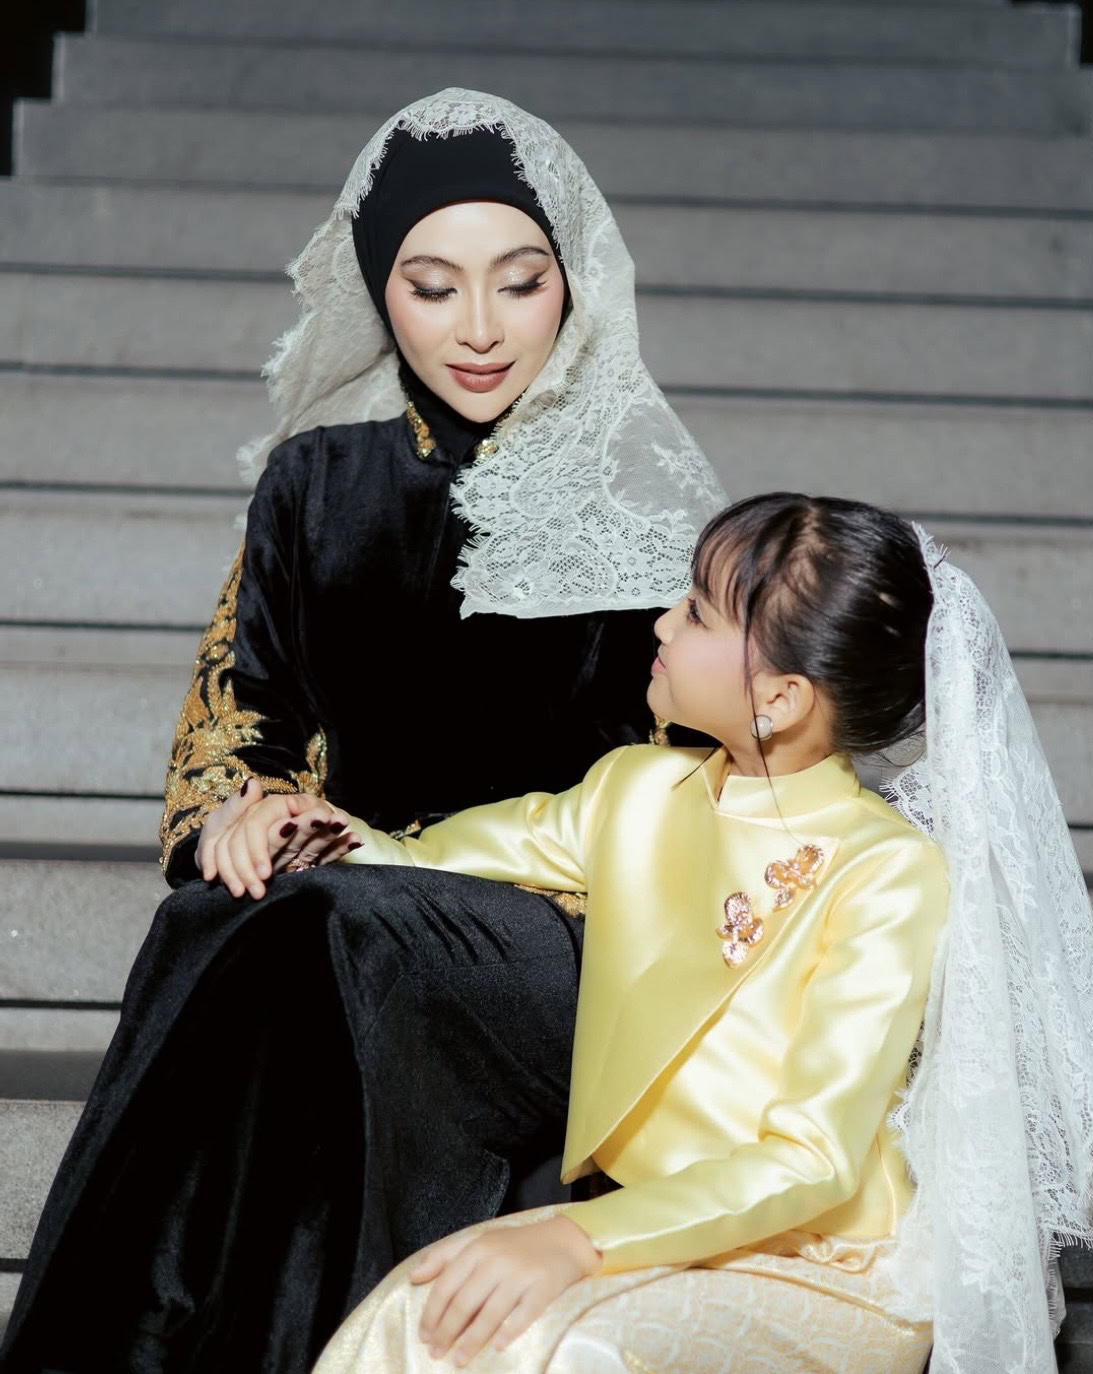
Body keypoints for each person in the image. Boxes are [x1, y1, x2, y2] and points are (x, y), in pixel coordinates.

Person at [0, 90, 724, 1374]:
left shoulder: (645, 506)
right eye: (432, 287)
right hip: (342, 905)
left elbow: (702, 793)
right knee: (218, 916)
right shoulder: (315, 482)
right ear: (381, 293)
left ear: (573, 283)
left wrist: (410, 861)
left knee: (325, 927)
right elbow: (241, 719)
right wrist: (242, 814)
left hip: (564, 932)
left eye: (521, 282)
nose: (481, 327)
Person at [250, 494, 1093, 1374]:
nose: (664, 623)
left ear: (781, 697)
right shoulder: (636, 791)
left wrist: (577, 1239)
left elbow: (812, 1159)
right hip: (648, 1227)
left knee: (548, 1346)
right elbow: (423, 862)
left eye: (699, 613)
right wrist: (304, 828)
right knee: (417, 1311)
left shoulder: (888, 871)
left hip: (826, 1262)